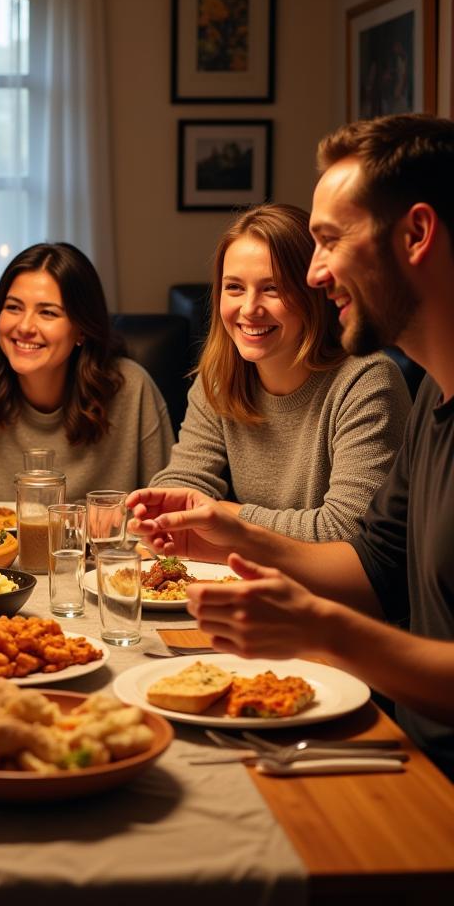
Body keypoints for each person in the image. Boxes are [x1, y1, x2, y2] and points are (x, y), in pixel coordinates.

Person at [127, 114, 454, 778]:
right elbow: (373, 563)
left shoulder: (373, 381)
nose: (315, 272)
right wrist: (221, 528)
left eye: (330, 241)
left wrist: (317, 626)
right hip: (400, 740)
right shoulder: (433, 398)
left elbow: (348, 556)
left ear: (417, 234)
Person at [148, 203, 409, 541]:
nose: (249, 309)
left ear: (312, 294)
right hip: (252, 578)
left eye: (273, 288)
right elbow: (184, 483)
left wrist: (230, 514)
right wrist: (163, 508)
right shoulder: (219, 377)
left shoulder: (368, 381)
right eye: (235, 287)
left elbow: (347, 529)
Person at [0, 242, 173, 507]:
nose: (24, 326)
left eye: (48, 313)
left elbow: (168, 506)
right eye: (13, 307)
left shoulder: (132, 388)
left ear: (82, 329)